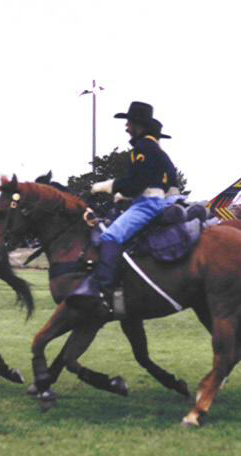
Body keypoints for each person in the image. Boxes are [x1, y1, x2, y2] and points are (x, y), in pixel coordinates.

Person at [66, 101, 174, 316]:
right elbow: (169, 180)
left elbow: (136, 184)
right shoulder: (158, 152)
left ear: (139, 125)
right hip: (152, 200)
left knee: (110, 237)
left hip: (147, 204)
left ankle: (102, 290)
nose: (126, 127)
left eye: (129, 123)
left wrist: (107, 187)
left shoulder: (142, 149)